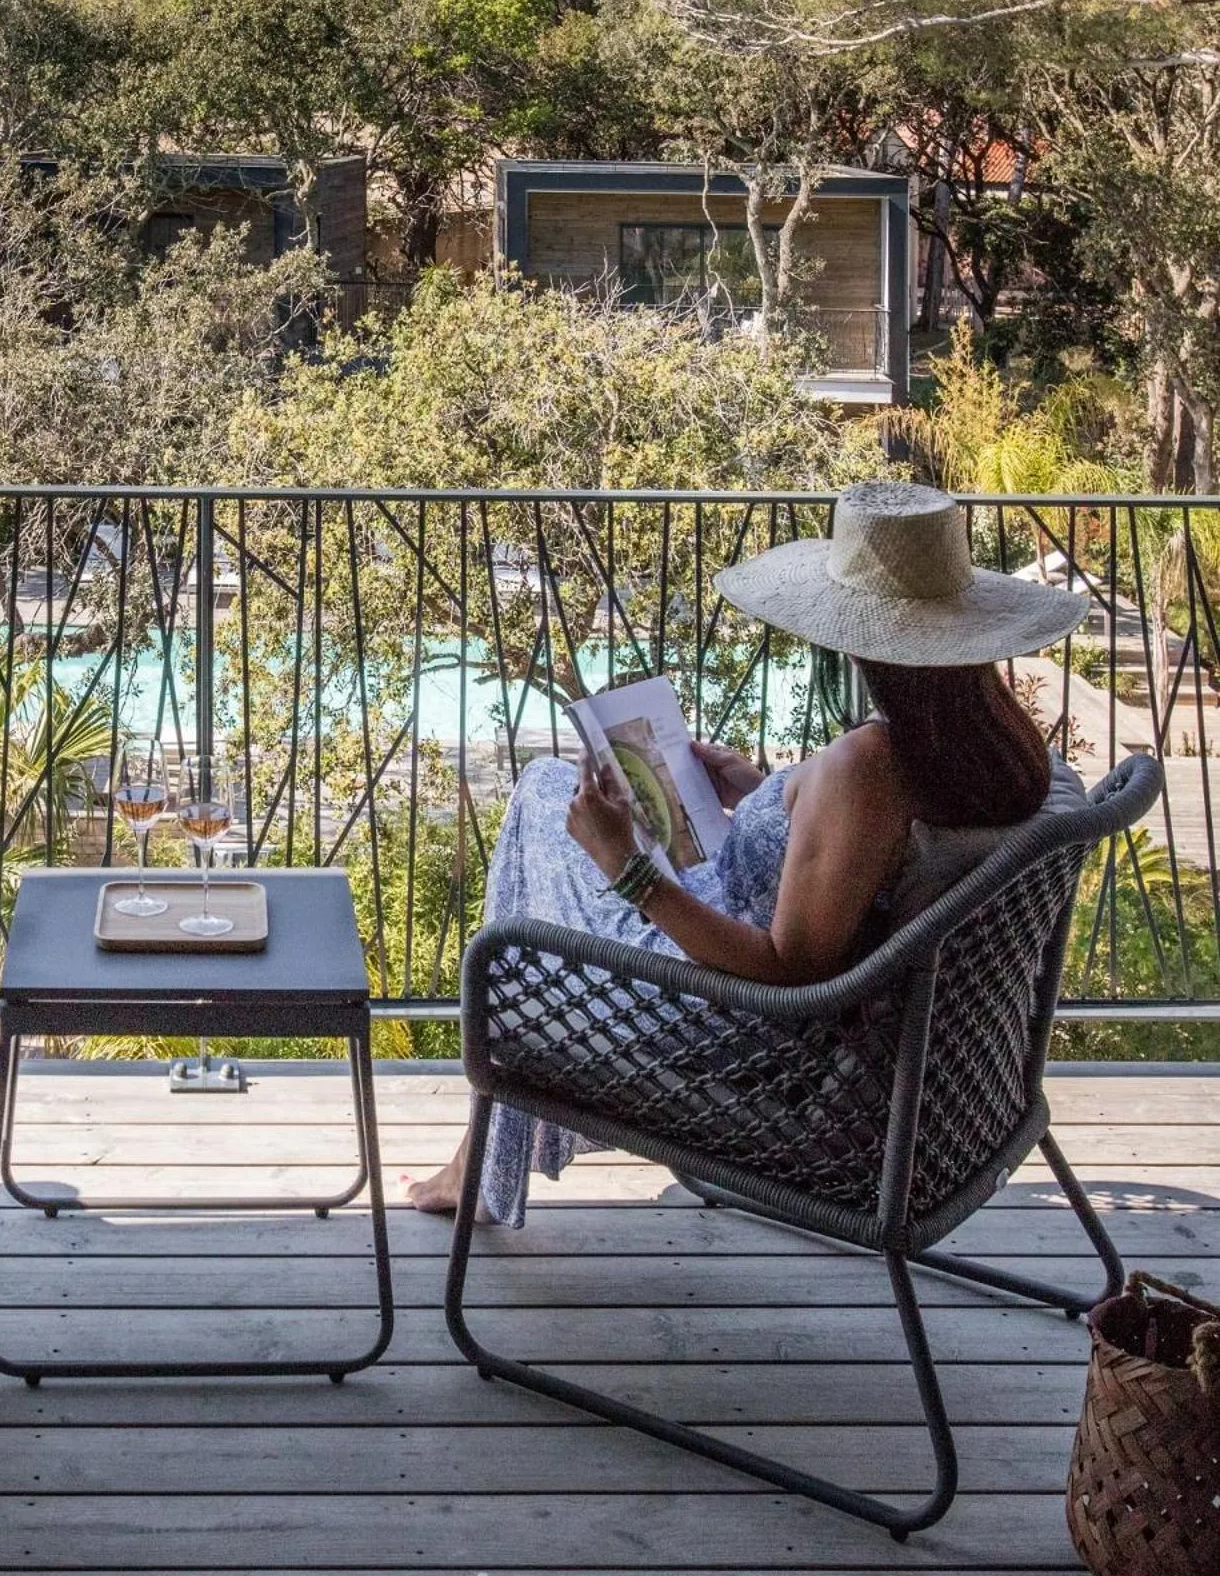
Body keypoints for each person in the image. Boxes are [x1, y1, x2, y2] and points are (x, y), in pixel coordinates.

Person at [406, 481, 1091, 1224]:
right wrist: (766, 793)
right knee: (551, 800)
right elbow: (868, 866)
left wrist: (625, 867)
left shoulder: (869, 767)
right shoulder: (999, 743)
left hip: (739, 1026)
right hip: (896, 1053)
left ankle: (485, 1155)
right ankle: (486, 1152)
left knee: (542, 811)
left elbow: (789, 969)